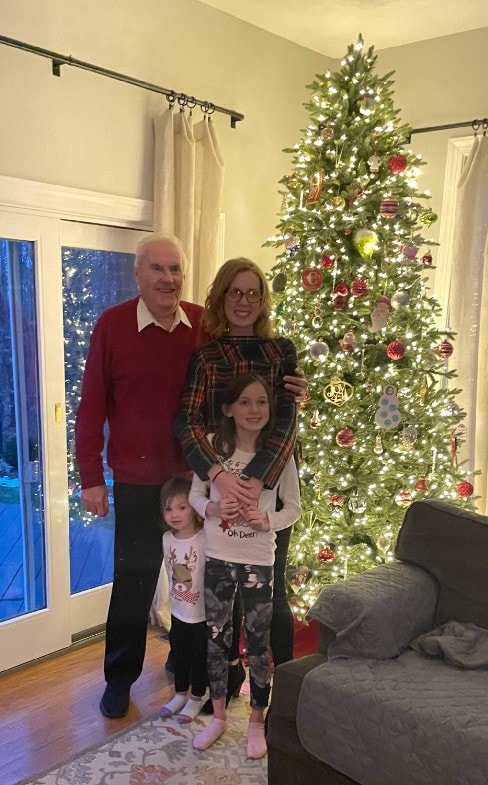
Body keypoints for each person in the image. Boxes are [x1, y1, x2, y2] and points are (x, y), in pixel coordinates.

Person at [74, 235, 305, 720]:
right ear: (137, 275)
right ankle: (119, 678)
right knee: (134, 580)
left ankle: (194, 669)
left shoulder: (205, 324)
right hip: (138, 479)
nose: (168, 279)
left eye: (176, 269)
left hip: (198, 479)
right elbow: (91, 405)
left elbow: (250, 377)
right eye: (157, 269)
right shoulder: (112, 325)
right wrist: (91, 476)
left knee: (202, 581)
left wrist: (294, 389)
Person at [175, 257, 301, 676]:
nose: (243, 301)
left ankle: (279, 686)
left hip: (271, 484)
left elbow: (285, 421)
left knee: (273, 588)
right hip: (221, 480)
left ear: (263, 300)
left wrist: (256, 479)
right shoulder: (207, 356)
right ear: (221, 297)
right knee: (222, 589)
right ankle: (224, 679)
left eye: (253, 293)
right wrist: (220, 476)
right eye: (235, 292)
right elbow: (188, 421)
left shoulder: (280, 351)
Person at [188, 373, 301, 757]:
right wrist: (212, 508)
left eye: (262, 402)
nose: (254, 410)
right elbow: (194, 493)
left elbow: (295, 509)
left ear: (272, 410)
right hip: (219, 558)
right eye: (245, 402)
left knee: (257, 643)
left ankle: (256, 720)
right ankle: (219, 717)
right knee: (216, 640)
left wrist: (267, 521)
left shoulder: (279, 459)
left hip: (258, 563)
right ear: (228, 408)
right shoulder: (213, 453)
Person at [159, 476, 208, 723]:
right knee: (179, 654)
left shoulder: (204, 538)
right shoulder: (167, 539)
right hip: (178, 612)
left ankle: (197, 698)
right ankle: (180, 694)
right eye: (168, 508)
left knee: (200, 658)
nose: (174, 514)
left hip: (202, 615)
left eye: (182, 507)